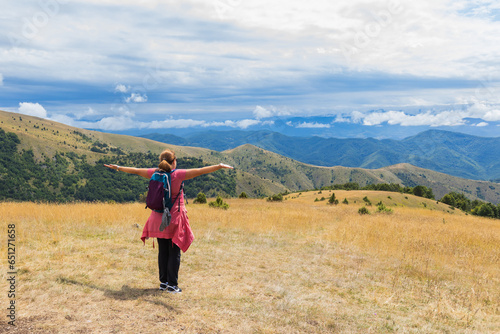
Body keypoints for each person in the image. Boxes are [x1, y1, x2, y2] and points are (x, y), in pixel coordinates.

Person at [104, 149, 233, 293]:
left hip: (157, 218)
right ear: (174, 162)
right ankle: (172, 285)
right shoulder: (178, 174)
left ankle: (163, 283)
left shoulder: (155, 173)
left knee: (163, 251)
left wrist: (117, 167)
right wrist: (219, 166)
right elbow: (200, 170)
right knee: (174, 251)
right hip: (174, 218)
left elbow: (135, 170)